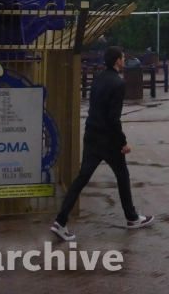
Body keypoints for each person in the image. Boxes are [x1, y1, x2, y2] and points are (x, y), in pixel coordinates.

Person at [51, 46, 153, 240]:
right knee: (122, 176)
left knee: (82, 178)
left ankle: (60, 221)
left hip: (91, 134)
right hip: (108, 140)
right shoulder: (118, 84)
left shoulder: (98, 77)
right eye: (123, 58)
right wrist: (123, 143)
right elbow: (113, 118)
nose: (124, 61)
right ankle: (132, 218)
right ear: (118, 61)